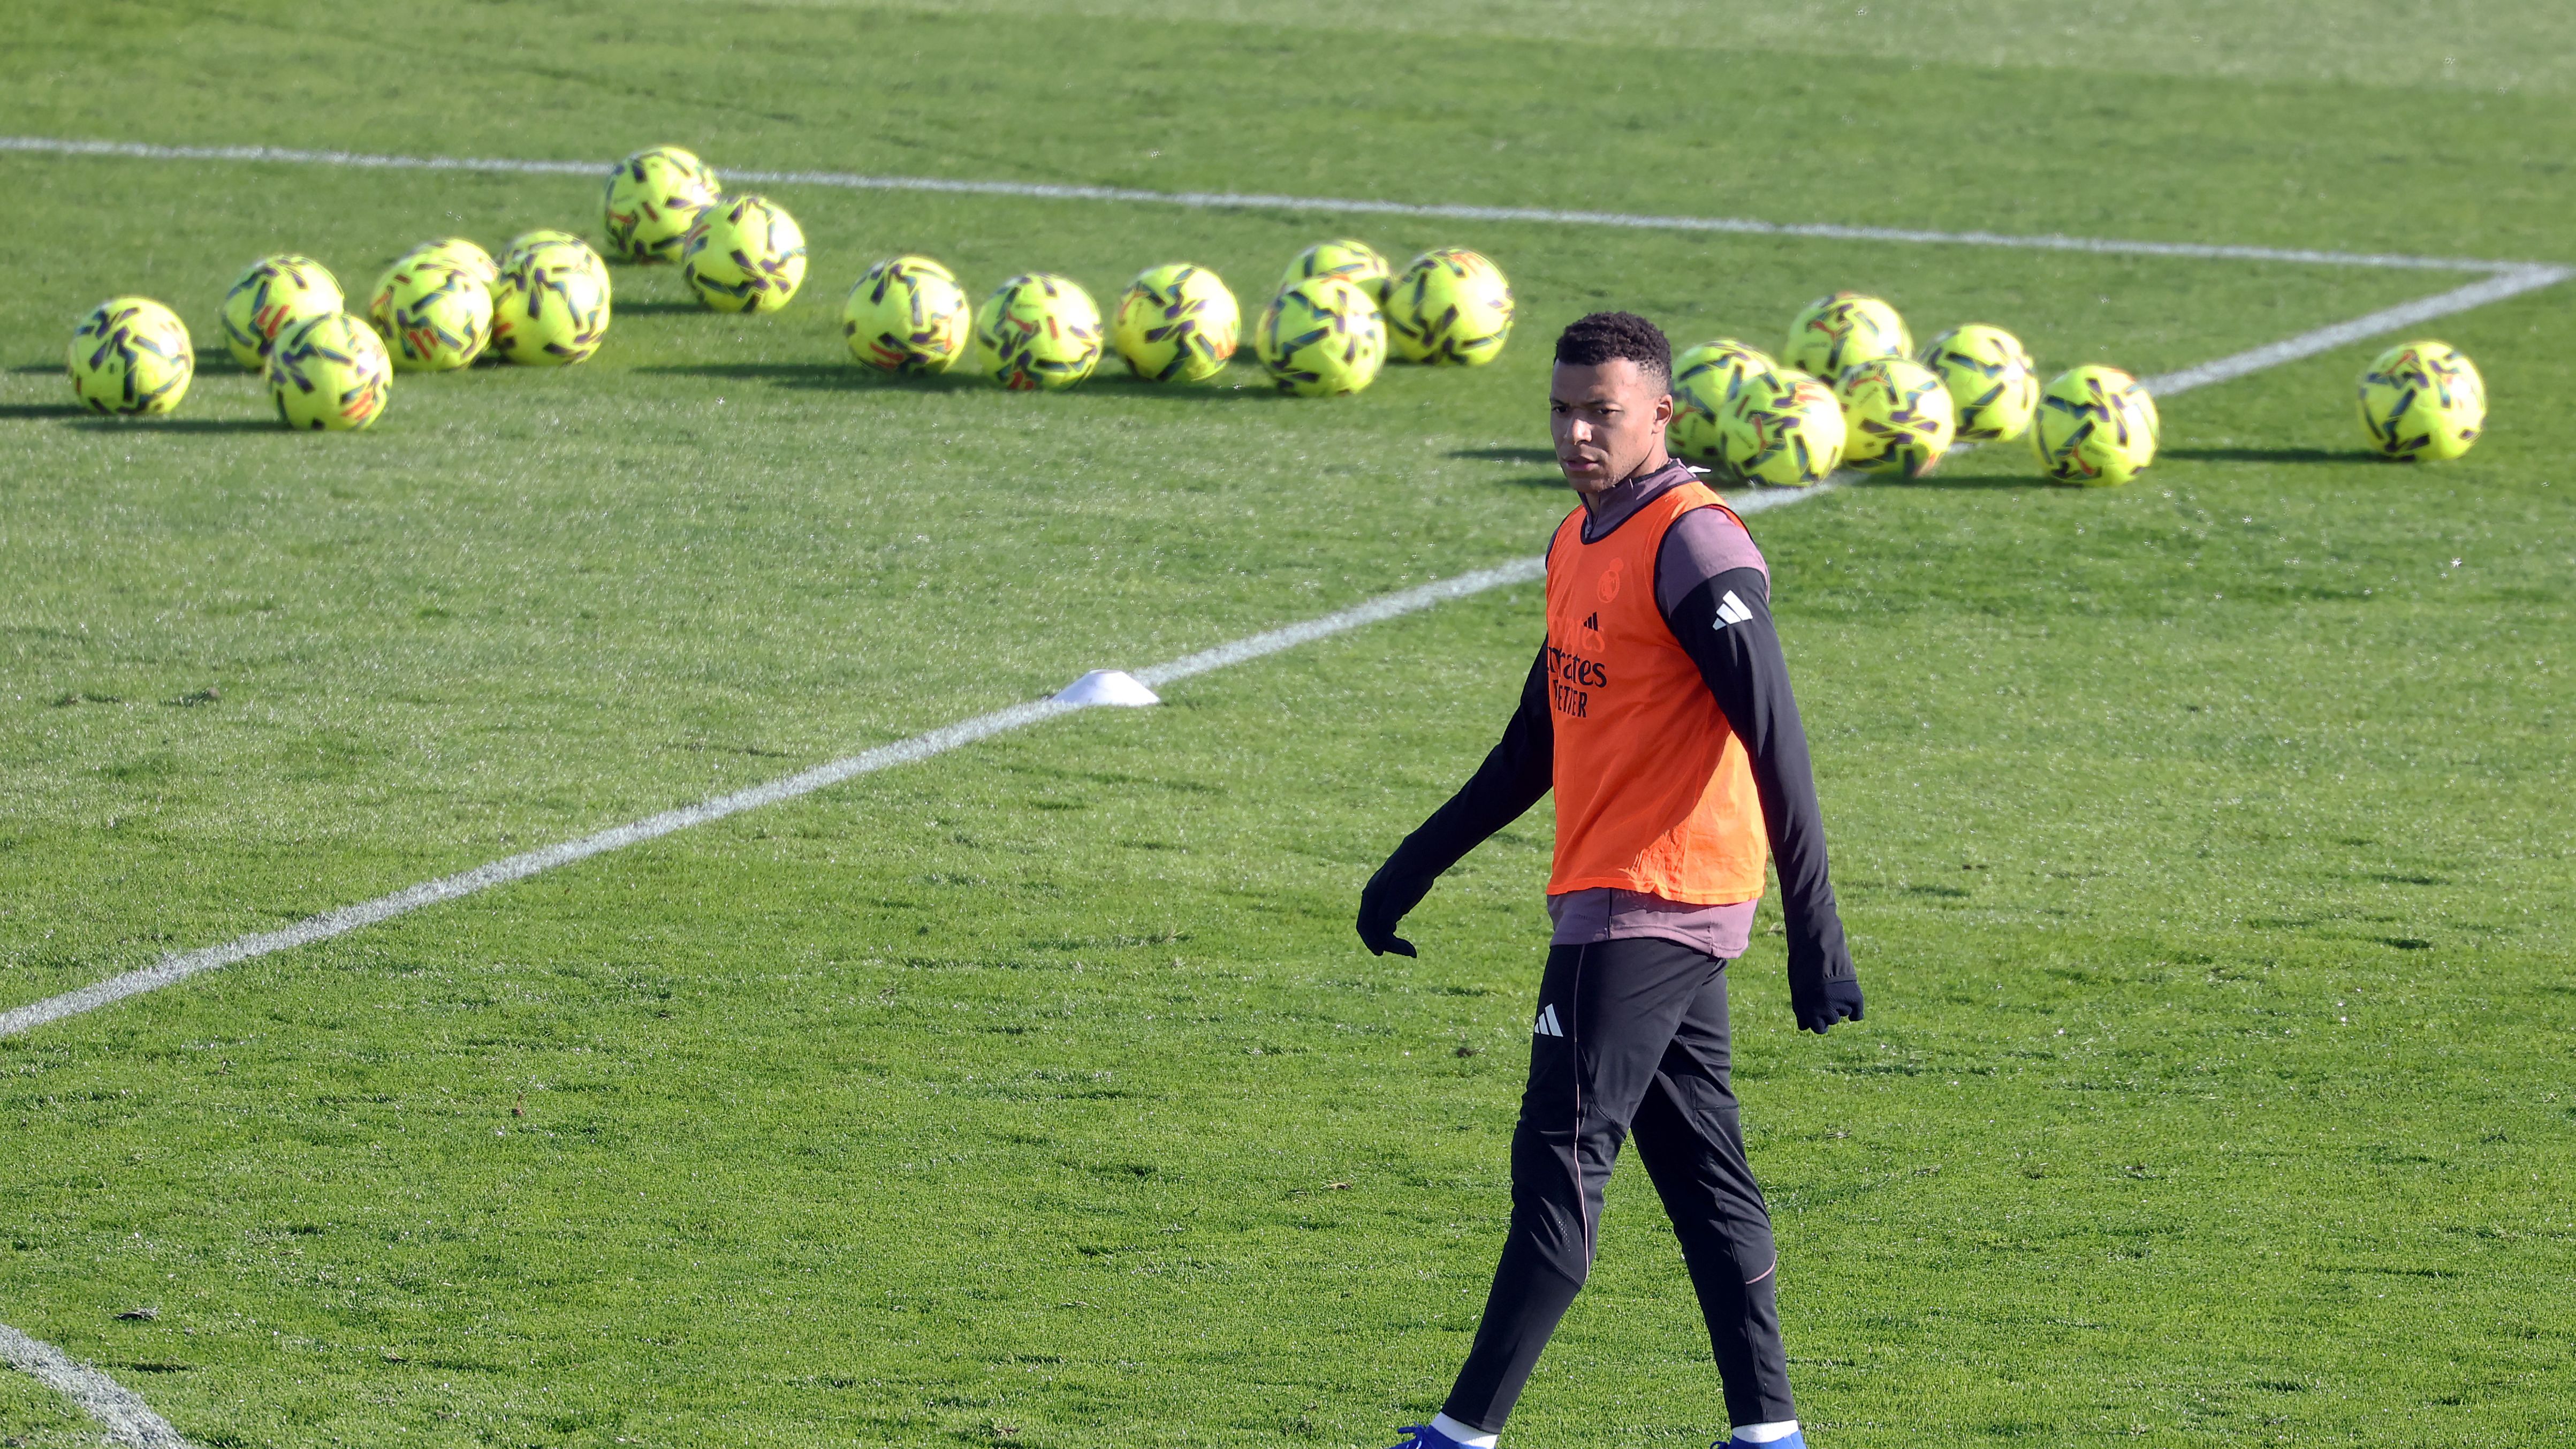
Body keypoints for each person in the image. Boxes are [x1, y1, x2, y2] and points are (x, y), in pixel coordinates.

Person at [1356, 312, 1864, 1449]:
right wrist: (1411, 867)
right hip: (1646, 903)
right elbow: (1533, 744)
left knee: (1559, 1163)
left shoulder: (1696, 546)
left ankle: (1460, 1434)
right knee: (1703, 1177)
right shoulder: (1579, 539)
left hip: (1645, 903)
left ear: (1661, 415)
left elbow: (1776, 738)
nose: (1578, 432)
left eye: (1604, 412)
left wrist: (1816, 930)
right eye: (1563, 410)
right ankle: (1768, 1433)